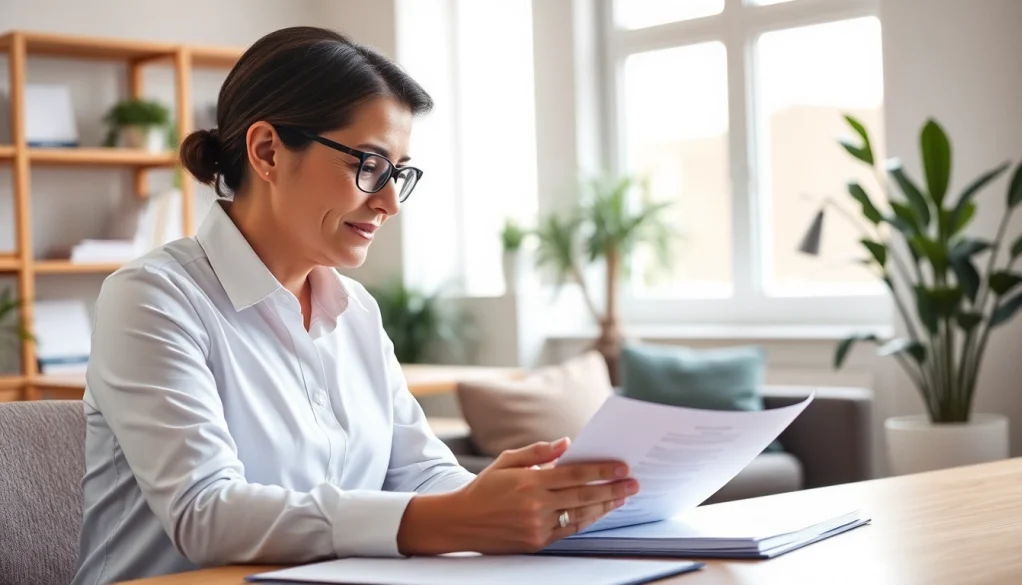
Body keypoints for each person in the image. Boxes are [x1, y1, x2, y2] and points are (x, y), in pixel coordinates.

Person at [71, 26, 637, 585]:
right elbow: (205, 513)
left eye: (399, 173)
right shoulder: (153, 299)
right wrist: (452, 518)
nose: (390, 202)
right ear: (267, 151)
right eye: (368, 165)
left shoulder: (356, 311)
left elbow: (416, 469)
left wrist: (500, 498)